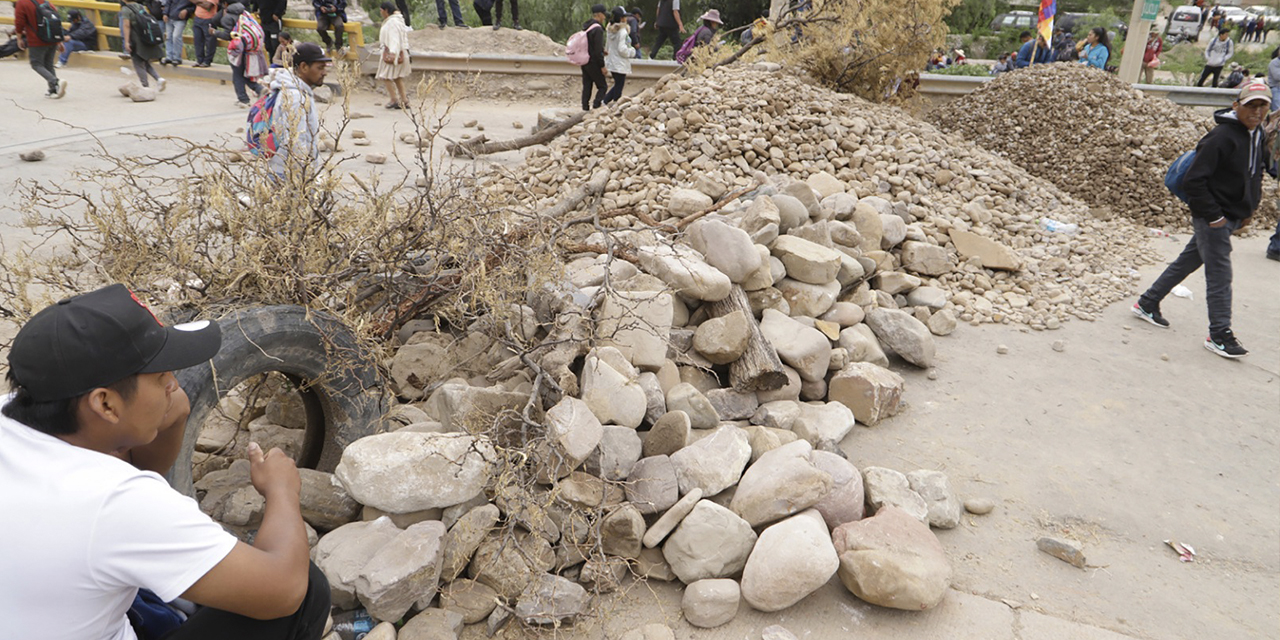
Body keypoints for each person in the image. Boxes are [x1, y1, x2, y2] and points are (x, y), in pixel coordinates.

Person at [0, 284, 330, 639]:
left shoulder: (19, 411)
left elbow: (124, 479)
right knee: (307, 586)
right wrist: (282, 491)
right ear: (105, 404)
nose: (174, 384)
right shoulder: (116, 501)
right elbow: (282, 591)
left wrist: (171, 412)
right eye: (161, 377)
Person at [1133, 82, 1270, 358]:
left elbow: (1255, 175)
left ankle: (1147, 302)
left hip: (1230, 215)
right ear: (1236, 106)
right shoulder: (1221, 137)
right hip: (1214, 217)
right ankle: (1219, 333)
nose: (1256, 111)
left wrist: (1247, 211)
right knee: (1220, 274)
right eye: (1250, 105)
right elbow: (1195, 180)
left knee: (1188, 260)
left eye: (1262, 106)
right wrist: (1215, 216)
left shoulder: (1256, 135)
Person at [269, 41, 330, 177]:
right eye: (320, 68)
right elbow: (295, 141)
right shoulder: (296, 98)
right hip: (290, 173)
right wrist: (306, 175)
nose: (324, 73)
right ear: (304, 67)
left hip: (285, 169)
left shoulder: (297, 91)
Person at [13, 0, 68, 98]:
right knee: (48, 64)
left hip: (37, 40)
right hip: (52, 39)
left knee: (36, 64)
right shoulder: (45, 1)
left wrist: (19, 38)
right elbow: (55, 20)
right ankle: (53, 90)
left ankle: (55, 82)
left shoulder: (22, 2)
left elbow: (19, 22)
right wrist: (59, 41)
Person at [121, 0, 167, 93]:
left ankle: (145, 86)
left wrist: (126, 42)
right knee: (145, 62)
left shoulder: (125, 9)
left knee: (138, 62)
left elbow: (126, 26)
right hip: (145, 36)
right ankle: (158, 79)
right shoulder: (140, 6)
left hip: (136, 38)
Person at [229, 3, 267, 107]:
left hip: (243, 54)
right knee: (245, 75)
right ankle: (259, 89)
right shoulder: (250, 20)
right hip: (253, 53)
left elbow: (236, 41)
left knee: (238, 75)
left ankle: (243, 99)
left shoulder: (238, 24)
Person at [377, 1, 411, 109]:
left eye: (381, 10)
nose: (381, 13)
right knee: (397, 77)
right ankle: (404, 100)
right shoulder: (397, 21)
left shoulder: (392, 23)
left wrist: (392, 53)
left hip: (393, 53)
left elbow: (394, 38)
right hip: (400, 51)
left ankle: (394, 99)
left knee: (385, 76)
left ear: (386, 11)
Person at [602, 6, 634, 104]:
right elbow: (622, 49)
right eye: (624, 17)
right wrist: (631, 52)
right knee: (619, 85)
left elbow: (607, 46)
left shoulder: (609, 31)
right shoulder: (622, 32)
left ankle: (605, 102)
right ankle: (614, 103)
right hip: (620, 62)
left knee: (618, 84)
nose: (626, 19)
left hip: (612, 61)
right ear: (621, 18)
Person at [580, 4, 607, 111]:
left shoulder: (586, 26)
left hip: (584, 60)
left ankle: (585, 109)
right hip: (594, 62)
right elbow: (597, 50)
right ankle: (596, 106)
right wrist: (602, 66)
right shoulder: (598, 29)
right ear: (599, 15)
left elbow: (590, 44)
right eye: (604, 15)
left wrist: (601, 50)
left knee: (587, 86)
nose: (604, 17)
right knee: (603, 86)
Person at [191, 0, 219, 67]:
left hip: (209, 19)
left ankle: (207, 61)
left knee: (210, 42)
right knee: (197, 40)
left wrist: (197, 2)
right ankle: (199, 60)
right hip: (197, 18)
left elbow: (208, 6)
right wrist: (202, 2)